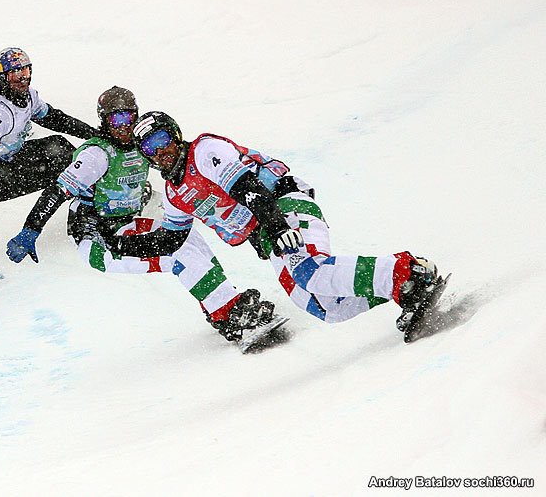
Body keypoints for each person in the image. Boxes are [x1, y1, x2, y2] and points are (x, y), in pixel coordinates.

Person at [96, 110, 444, 336]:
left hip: (281, 206)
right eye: (149, 148)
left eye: (161, 140)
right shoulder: (175, 194)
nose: (160, 151)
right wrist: (120, 244)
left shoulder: (204, 152)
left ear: (175, 134)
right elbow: (171, 241)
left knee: (310, 270)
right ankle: (400, 289)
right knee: (325, 306)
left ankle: (407, 275)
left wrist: (278, 227)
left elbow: (247, 187)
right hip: (267, 232)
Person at [5, 87, 276, 343]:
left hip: (126, 222)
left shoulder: (143, 146)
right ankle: (228, 313)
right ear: (104, 121)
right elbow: (57, 191)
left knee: (190, 240)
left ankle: (223, 306)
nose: (124, 126)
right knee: (177, 254)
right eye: (116, 119)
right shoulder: (98, 154)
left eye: (129, 117)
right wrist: (31, 229)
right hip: (100, 238)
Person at [0, 47, 98, 203]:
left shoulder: (29, 96)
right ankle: (82, 197)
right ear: (3, 78)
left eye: (25, 72)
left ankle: (85, 185)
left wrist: (95, 134)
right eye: (15, 75)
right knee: (60, 168)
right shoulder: (1, 112)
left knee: (60, 146)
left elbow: (56, 119)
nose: (22, 80)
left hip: (7, 157)